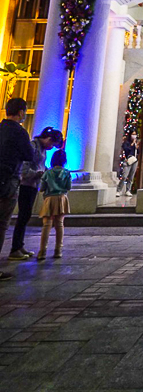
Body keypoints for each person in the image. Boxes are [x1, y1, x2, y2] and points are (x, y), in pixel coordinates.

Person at [9, 126, 63, 261]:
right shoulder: (33, 147)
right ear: (48, 139)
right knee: (23, 216)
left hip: (33, 185)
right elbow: (25, 167)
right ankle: (15, 248)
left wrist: (46, 171)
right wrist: (38, 174)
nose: (51, 147)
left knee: (26, 215)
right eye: (52, 144)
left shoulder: (42, 150)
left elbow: (40, 165)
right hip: (26, 185)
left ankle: (19, 245)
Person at [0, 97, 34, 280]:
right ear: (21, 112)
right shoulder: (19, 132)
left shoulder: (1, 128)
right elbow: (29, 154)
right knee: (2, 223)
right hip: (9, 181)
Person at [37, 148, 71, 260]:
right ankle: (58, 250)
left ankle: (42, 251)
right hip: (61, 198)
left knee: (46, 225)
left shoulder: (48, 173)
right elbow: (68, 187)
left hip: (49, 199)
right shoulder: (66, 173)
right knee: (59, 224)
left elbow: (42, 188)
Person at [116, 132, 139, 197]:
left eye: (135, 134)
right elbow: (126, 149)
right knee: (124, 176)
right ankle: (119, 190)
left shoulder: (135, 143)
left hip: (134, 160)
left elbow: (137, 152)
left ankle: (128, 190)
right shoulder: (126, 142)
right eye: (133, 134)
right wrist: (132, 144)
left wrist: (136, 147)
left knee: (131, 177)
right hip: (127, 160)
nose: (134, 136)